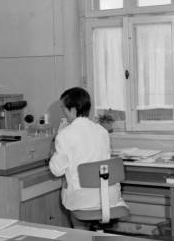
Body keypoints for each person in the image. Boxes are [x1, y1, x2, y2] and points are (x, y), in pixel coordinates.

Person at [49, 87, 126, 222]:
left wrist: (54, 146)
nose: (63, 112)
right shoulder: (102, 131)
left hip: (83, 201)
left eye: (63, 109)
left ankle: (81, 237)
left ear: (73, 110)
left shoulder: (65, 135)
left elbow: (56, 171)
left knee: (68, 190)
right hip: (109, 197)